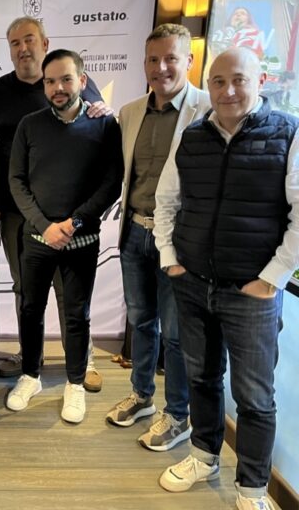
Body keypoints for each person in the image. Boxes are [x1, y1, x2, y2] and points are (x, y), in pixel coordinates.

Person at [154, 47, 299, 509]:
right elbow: (166, 200)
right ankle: (203, 454)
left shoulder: (287, 134)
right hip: (193, 282)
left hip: (252, 293)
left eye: (238, 79)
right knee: (201, 378)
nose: (228, 90)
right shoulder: (193, 136)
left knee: (255, 397)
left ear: (261, 81)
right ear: (208, 85)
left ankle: (253, 488)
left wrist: (273, 278)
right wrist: (170, 258)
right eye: (218, 81)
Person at [0, 16, 106, 389]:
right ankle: (28, 354)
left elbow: (97, 123)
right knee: (25, 290)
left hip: (69, 214)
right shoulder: (0, 89)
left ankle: (82, 358)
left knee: (71, 292)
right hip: (20, 213)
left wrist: (105, 110)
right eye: (15, 43)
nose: (22, 48)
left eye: (29, 40)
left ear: (45, 43)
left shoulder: (76, 84)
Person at [106, 24, 211, 451]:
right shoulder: (130, 112)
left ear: (189, 61)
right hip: (134, 231)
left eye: (171, 58)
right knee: (140, 320)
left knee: (176, 333)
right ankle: (143, 395)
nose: (161, 67)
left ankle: (178, 415)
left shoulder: (206, 109)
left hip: (179, 241)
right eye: (153, 59)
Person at [7, 49, 122, 423]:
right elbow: (17, 181)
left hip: (81, 240)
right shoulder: (29, 125)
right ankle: (30, 375)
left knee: (76, 315)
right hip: (37, 240)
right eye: (51, 81)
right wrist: (44, 225)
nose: (58, 88)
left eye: (66, 79)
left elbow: (112, 183)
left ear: (82, 81)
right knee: (30, 309)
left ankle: (74, 383)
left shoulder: (104, 125)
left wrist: (74, 222)